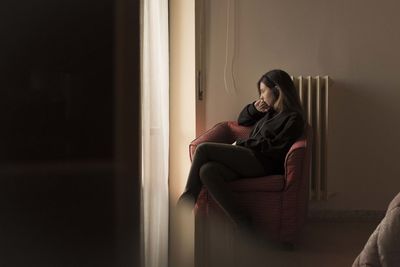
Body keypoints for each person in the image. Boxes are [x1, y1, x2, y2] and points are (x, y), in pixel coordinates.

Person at [177, 69, 306, 230]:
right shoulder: (270, 112)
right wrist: (254, 109)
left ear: (277, 90)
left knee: (203, 149)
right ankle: (244, 222)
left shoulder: (293, 118)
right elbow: (242, 120)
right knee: (207, 171)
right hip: (251, 159)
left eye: (263, 91)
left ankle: (185, 204)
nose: (261, 96)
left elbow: (276, 149)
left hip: (264, 163)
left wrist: (242, 144)